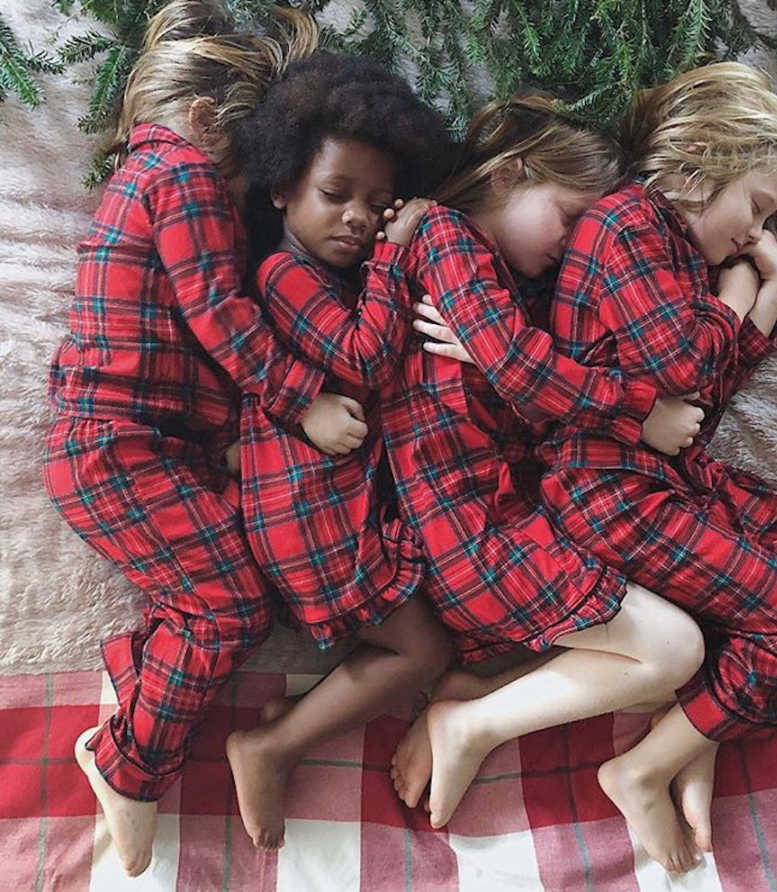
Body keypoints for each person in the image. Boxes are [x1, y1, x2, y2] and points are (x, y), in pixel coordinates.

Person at [408, 62, 777, 872]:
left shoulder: (676, 260)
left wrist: (768, 294)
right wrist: (739, 298)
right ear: (696, 159)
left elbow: (697, 408)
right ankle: (645, 767)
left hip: (655, 476)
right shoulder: (626, 225)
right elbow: (686, 369)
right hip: (606, 488)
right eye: (756, 208)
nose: (756, 235)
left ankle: (694, 742)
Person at [379, 94, 731, 868]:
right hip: (472, 534)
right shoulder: (445, 233)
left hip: (513, 522)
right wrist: (636, 414)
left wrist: (744, 297)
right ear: (509, 174)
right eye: (570, 218)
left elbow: (524, 374)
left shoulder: (517, 283)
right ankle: (473, 722)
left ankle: (472, 699)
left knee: (683, 657)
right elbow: (518, 367)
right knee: (674, 653)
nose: (577, 246)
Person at [41, 0, 321, 877]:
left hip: (136, 441)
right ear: (205, 122)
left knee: (237, 587)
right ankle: (127, 767)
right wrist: (297, 397)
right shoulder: (181, 175)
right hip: (115, 443)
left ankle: (137, 670)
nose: (244, 205)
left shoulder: (151, 177)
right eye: (248, 179)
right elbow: (219, 316)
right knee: (231, 605)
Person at [220, 50, 463, 852]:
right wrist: (399, 250)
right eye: (336, 196)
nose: (359, 218)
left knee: (424, 638)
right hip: (310, 513)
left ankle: (290, 724)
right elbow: (362, 358)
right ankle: (271, 746)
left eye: (378, 204)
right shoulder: (282, 277)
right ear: (282, 186)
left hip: (336, 504)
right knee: (423, 650)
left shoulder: (337, 275)